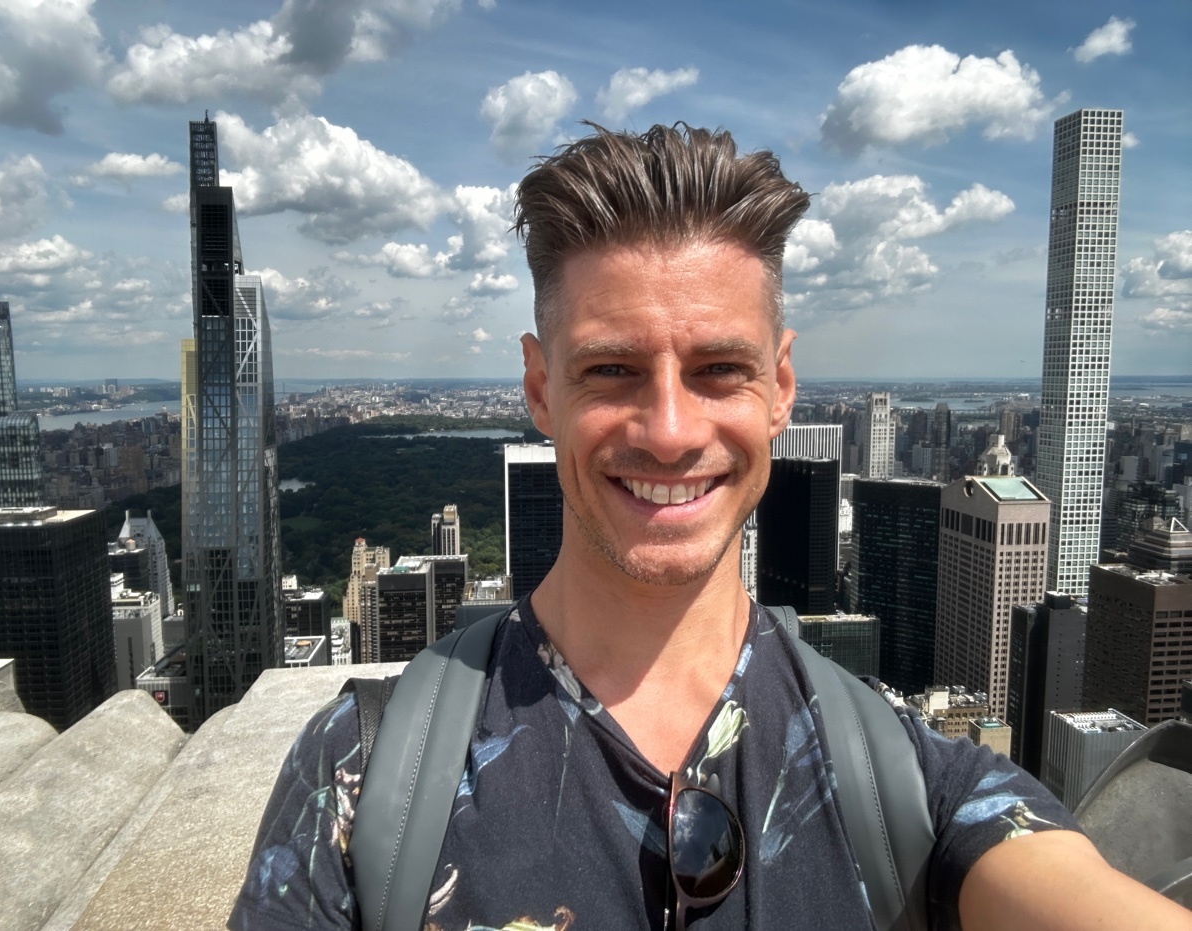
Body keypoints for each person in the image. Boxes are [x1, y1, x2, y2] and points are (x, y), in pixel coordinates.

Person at [229, 124, 1192, 930]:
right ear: (540, 388)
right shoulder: (367, 772)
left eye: (719, 369)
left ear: (780, 387)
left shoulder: (908, 781)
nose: (671, 430)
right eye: (611, 369)